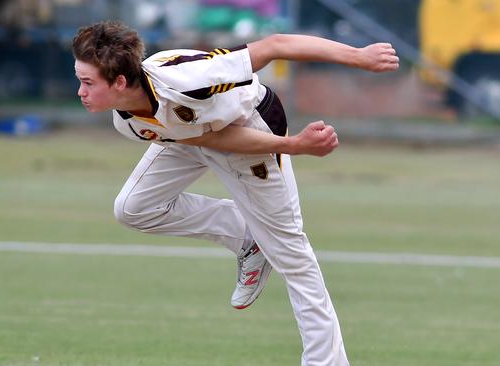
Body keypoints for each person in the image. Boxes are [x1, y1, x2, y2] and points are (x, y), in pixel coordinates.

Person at [73, 20, 398, 366]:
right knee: (133, 208)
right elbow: (207, 140)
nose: (80, 91)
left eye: (87, 82)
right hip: (195, 135)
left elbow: (276, 45)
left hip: (251, 123)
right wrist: (293, 147)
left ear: (119, 81)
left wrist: (357, 57)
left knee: (292, 255)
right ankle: (248, 237)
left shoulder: (189, 80)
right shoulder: (128, 122)